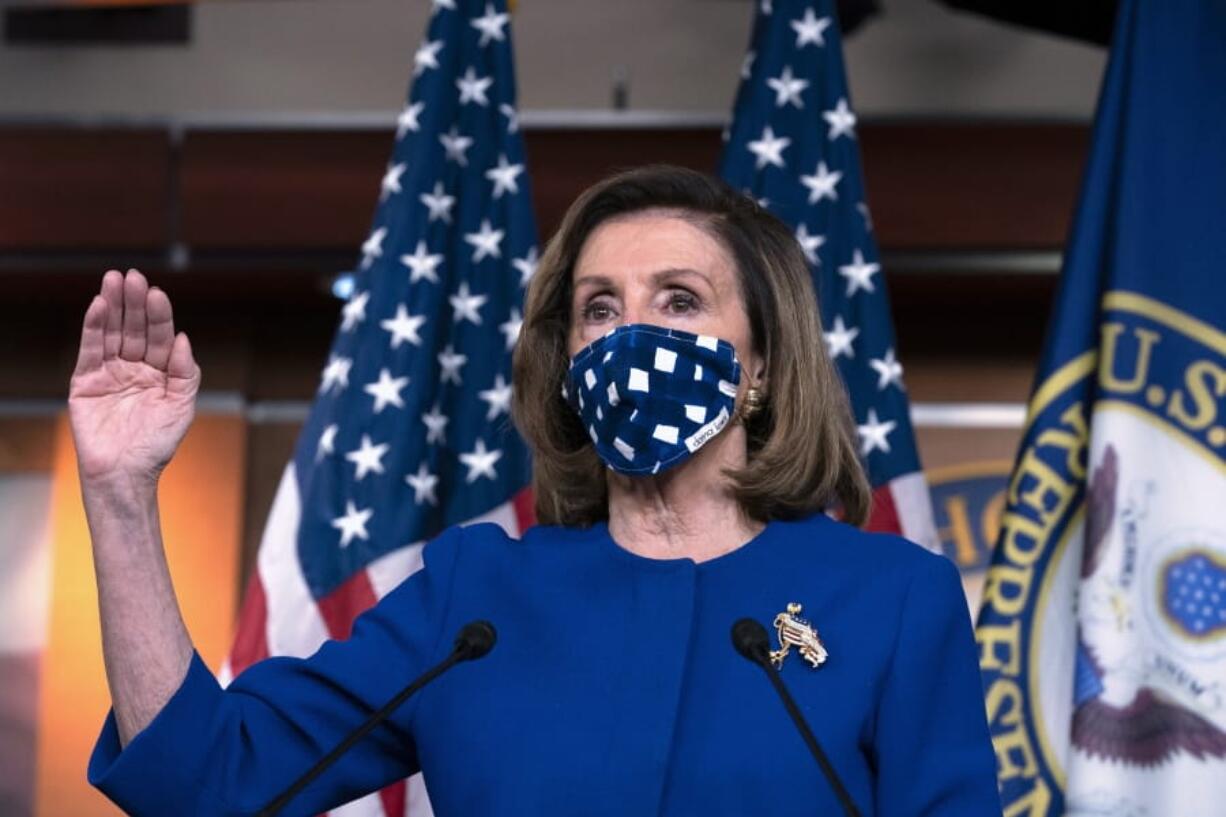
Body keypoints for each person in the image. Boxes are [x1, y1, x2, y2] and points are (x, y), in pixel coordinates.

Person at [76, 166, 1001, 816]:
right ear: (567, 363)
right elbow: (201, 781)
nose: (631, 333)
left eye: (679, 299)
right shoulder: (475, 597)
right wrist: (121, 495)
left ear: (759, 368)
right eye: (600, 308)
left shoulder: (891, 598)